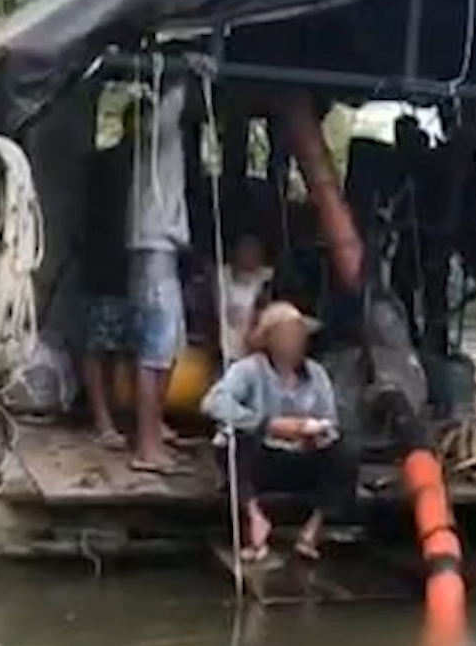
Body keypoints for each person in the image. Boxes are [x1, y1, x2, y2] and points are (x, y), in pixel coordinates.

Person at [200, 302, 358, 565]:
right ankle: (255, 519)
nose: (295, 343)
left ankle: (313, 530)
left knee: (347, 450)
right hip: (263, 459)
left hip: (302, 458)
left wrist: (313, 432)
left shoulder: (316, 374)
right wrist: (268, 424)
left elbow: (331, 421)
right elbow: (213, 404)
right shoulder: (249, 369)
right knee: (234, 443)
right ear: (271, 339)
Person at [126, 79, 195, 475]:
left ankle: (155, 428)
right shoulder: (157, 127)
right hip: (155, 249)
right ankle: (147, 446)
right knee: (154, 352)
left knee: (170, 347)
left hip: (159, 249)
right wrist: (188, 70)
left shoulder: (155, 137)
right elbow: (174, 100)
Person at [78, 134, 134, 450]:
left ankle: (112, 413)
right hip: (102, 264)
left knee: (116, 349)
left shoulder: (143, 169)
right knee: (97, 347)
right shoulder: (104, 165)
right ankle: (102, 418)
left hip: (128, 266)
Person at [218, 233, 275, 365]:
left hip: (255, 355)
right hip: (225, 355)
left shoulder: (268, 278)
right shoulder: (220, 276)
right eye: (246, 248)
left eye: (255, 249)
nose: (250, 253)